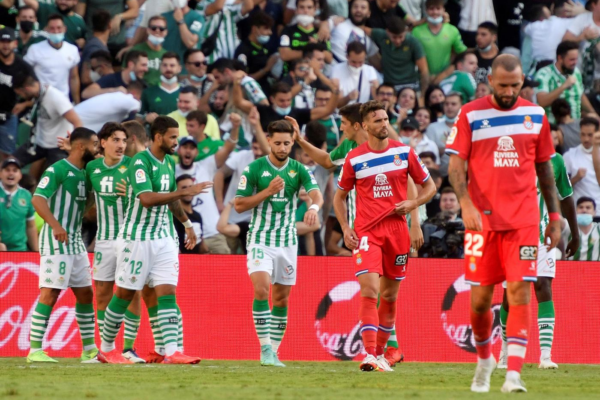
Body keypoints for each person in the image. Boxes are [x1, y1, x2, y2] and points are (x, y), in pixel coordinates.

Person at [446, 54, 560, 393]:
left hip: (523, 222)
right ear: (490, 81)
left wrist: (554, 217)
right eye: (503, 85)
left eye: (515, 85)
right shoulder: (470, 114)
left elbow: (545, 169)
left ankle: (513, 375)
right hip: (481, 224)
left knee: (520, 290)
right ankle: (485, 359)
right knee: (480, 301)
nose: (509, 92)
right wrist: (465, 204)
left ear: (522, 81)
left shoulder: (536, 115)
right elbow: (455, 167)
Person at [334, 100, 435, 372]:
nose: (383, 124)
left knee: (389, 296)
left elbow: (430, 186)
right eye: (377, 120)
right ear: (364, 126)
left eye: (386, 119)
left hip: (397, 231)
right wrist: (345, 228)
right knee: (370, 291)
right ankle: (369, 354)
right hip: (367, 232)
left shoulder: (404, 152)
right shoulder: (354, 158)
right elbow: (338, 197)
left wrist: (414, 205)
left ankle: (380, 354)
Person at [97, 116, 208, 364]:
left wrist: (187, 224)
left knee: (167, 292)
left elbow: (171, 199)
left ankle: (171, 351)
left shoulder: (168, 162)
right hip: (136, 238)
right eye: (172, 137)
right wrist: (184, 191)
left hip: (163, 238)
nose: (176, 142)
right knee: (124, 294)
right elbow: (146, 199)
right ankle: (106, 349)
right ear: (158, 137)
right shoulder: (140, 162)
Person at [234, 118, 323, 367]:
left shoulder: (299, 169)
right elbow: (239, 204)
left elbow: (316, 194)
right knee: (262, 289)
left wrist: (313, 208)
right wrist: (267, 192)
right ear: (269, 141)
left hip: (287, 242)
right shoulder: (254, 169)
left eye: (286, 143)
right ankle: (264, 349)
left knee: (282, 299)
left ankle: (274, 351)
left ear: (292, 143)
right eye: (278, 143)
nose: (282, 148)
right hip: (260, 239)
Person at [497, 151, 579, 371]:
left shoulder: (556, 160)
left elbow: (566, 197)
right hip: (512, 235)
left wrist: (575, 234)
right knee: (512, 294)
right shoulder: (509, 155)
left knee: (543, 285)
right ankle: (504, 351)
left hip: (543, 235)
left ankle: (545, 356)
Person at [28, 127, 100, 363]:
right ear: (81, 146)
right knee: (50, 292)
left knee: (85, 293)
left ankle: (89, 349)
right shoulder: (57, 169)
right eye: (94, 144)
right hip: (56, 239)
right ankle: (34, 350)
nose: (97, 148)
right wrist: (55, 225)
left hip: (76, 241)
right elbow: (37, 199)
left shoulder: (87, 173)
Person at [85, 122, 145, 364]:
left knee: (131, 292)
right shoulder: (92, 168)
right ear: (103, 142)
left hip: (129, 238)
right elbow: (87, 199)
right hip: (104, 240)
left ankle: (129, 348)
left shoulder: (133, 166)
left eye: (124, 140)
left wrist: (130, 192)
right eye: (116, 140)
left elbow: (147, 198)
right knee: (102, 293)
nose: (121, 145)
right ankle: (106, 350)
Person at [175, 114, 240, 255]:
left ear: (196, 152)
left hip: (212, 233)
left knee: (226, 265)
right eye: (184, 147)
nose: (188, 150)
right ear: (178, 150)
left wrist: (235, 127)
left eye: (192, 148)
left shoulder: (205, 166)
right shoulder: (171, 171)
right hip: (185, 235)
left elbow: (228, 147)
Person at [12, 68, 82, 169]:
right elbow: (40, 102)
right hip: (38, 142)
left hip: (58, 146)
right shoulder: (39, 92)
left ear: (26, 89)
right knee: (10, 163)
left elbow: (77, 122)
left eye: (20, 94)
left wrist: (72, 145)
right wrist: (25, 104)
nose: (21, 97)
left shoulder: (56, 98)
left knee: (57, 174)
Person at [535, 40, 596, 124]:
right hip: (553, 126)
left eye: (576, 59)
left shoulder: (576, 72)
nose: (575, 63)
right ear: (560, 58)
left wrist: (593, 113)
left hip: (575, 125)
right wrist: (564, 86)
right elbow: (542, 101)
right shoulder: (544, 74)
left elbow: (581, 95)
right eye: (571, 60)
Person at [24, 14, 80, 103]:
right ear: (46, 30)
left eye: (59, 28)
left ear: (65, 29)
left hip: (64, 101)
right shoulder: (35, 49)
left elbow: (74, 78)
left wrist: (77, 103)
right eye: (52, 28)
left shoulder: (72, 50)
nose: (56, 31)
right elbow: (25, 74)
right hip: (41, 101)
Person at [365, 16, 428, 93]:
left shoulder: (413, 43)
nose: (398, 41)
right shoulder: (381, 35)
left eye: (401, 37)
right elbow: (362, 29)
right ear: (387, 32)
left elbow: (424, 71)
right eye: (394, 37)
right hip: (390, 87)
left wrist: (423, 95)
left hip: (410, 85)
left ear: (405, 32)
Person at [412, 0, 467, 84]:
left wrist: (445, 73)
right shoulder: (417, 31)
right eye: (431, 9)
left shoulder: (452, 30)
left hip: (445, 79)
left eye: (438, 9)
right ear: (426, 11)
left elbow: (461, 52)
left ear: (443, 10)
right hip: (421, 78)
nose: (435, 12)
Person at [0, 26, 30, 161]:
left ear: (15, 43)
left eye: (9, 42)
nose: (5, 45)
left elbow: (36, 91)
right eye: (2, 41)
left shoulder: (22, 66)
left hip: (9, 115)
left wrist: (25, 104)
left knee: (8, 156)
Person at [279, 0, 332, 72]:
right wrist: (308, 50)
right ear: (296, 10)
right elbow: (284, 55)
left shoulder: (321, 32)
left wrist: (316, 46)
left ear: (315, 10)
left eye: (309, 7)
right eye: (302, 7)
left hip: (314, 76)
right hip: (290, 75)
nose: (305, 11)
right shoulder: (287, 31)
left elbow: (329, 59)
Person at [234, 11, 278, 93]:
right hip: (252, 92)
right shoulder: (243, 50)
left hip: (266, 89)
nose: (270, 32)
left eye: (270, 29)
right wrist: (266, 69)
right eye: (266, 28)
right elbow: (243, 79)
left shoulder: (265, 46)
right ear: (254, 29)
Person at [74, 82, 142, 133]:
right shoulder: (125, 98)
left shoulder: (117, 98)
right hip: (74, 123)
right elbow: (137, 107)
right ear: (134, 93)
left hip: (77, 122)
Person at [0, 158, 37, 252]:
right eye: (7, 170)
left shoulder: (26, 195)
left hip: (20, 250)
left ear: (20, 175)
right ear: (0, 173)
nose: (11, 173)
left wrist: (36, 252)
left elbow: (31, 226)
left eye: (15, 170)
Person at [563, 117, 600, 213]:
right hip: (580, 213)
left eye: (590, 135)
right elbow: (562, 189)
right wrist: (576, 178)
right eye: (583, 134)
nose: (586, 139)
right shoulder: (569, 155)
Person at [82, 50, 148, 100]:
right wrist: (114, 90)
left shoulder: (143, 85)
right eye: (143, 65)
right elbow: (86, 93)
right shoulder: (112, 79)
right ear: (131, 64)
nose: (146, 69)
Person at [123, 15, 168, 87]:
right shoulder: (135, 50)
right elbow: (124, 74)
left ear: (166, 32)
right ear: (148, 30)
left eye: (161, 29)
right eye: (153, 28)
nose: (157, 30)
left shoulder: (167, 55)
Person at [425, 92, 462, 175]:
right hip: (440, 175)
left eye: (453, 104)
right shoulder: (432, 127)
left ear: (461, 106)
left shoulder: (467, 127)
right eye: (446, 104)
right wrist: (445, 148)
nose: (449, 107)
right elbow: (427, 155)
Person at [332, 42, 379, 107]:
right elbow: (336, 104)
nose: (357, 66)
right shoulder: (337, 69)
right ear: (347, 57)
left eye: (360, 62)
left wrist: (376, 88)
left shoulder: (370, 70)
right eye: (353, 62)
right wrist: (348, 97)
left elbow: (377, 99)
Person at [141, 52, 182, 124]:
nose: (168, 68)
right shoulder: (148, 92)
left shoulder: (186, 93)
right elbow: (137, 118)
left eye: (172, 65)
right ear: (160, 67)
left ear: (179, 68)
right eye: (165, 65)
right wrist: (145, 118)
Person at [173, 174, 208, 254]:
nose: (188, 191)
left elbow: (201, 242)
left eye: (191, 187)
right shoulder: (173, 216)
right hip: (180, 258)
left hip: (197, 259)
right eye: (184, 188)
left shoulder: (198, 216)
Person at [79, 10, 111, 87]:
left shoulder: (97, 44)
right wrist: (106, 73)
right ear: (110, 25)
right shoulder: (94, 47)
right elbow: (85, 78)